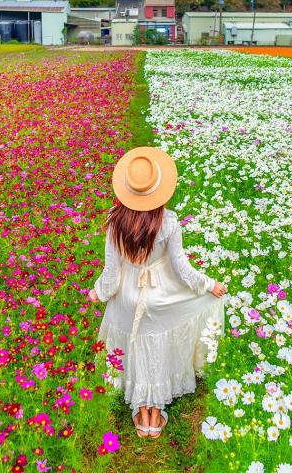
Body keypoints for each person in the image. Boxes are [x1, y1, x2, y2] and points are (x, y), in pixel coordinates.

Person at [87, 147, 226, 438]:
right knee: (157, 345)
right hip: (160, 296)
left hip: (127, 297)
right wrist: (208, 285)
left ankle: (141, 412)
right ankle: (153, 414)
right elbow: (182, 270)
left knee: (136, 344)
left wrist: (98, 293)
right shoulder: (168, 222)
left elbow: (111, 276)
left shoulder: (115, 222)